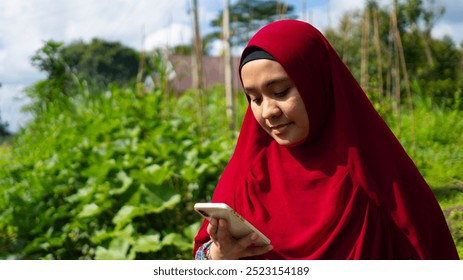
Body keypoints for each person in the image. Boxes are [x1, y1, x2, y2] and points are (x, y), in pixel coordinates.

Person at [193, 19, 459, 260]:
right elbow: (201, 261)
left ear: (317, 81)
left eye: (281, 91)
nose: (268, 112)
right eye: (255, 98)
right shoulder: (246, 180)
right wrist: (218, 256)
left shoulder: (378, 180)